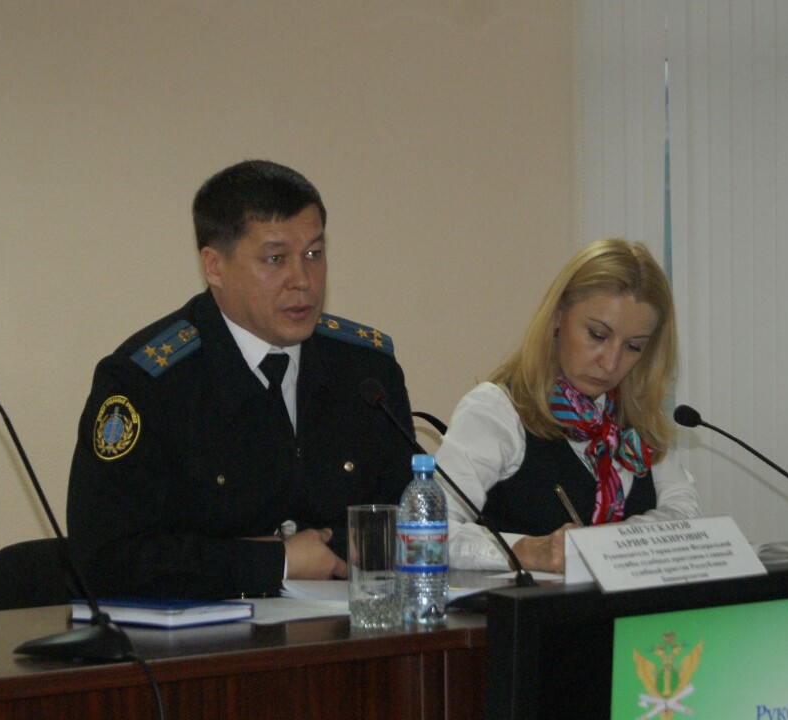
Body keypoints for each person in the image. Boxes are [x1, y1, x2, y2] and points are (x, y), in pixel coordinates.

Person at [67, 159, 413, 599]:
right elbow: (108, 559)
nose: (302, 281)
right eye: (275, 259)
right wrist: (277, 561)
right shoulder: (146, 383)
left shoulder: (365, 371)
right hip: (209, 636)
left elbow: (406, 521)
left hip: (350, 628)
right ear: (214, 266)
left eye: (313, 254)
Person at [435, 238, 700, 573]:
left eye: (633, 346)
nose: (611, 362)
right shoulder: (496, 410)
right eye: (598, 335)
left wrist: (613, 542)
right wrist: (522, 551)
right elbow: (426, 534)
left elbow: (684, 514)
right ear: (559, 315)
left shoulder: (636, 417)